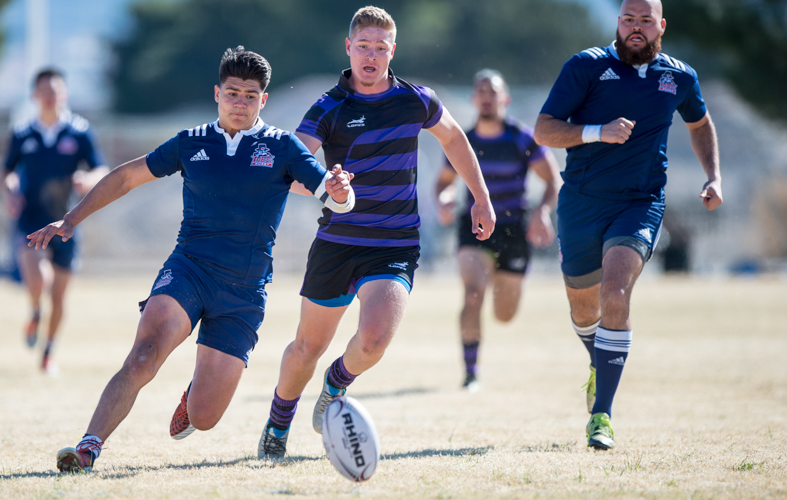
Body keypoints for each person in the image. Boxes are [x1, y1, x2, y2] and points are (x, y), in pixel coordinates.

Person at [36, 47, 355, 473]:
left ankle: (193, 394)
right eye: (232, 93)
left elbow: (338, 201)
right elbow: (128, 176)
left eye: (250, 95)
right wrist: (71, 219)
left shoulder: (284, 148)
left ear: (263, 100)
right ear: (217, 94)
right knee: (145, 354)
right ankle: (88, 447)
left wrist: (340, 191)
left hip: (244, 289)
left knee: (204, 418)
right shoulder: (192, 142)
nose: (239, 102)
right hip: (189, 268)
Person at [256, 6, 497, 460]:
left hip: (395, 244)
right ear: (348, 48)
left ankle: (336, 383)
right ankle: (277, 422)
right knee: (308, 344)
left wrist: (481, 199)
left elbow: (454, 139)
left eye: (380, 48)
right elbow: (292, 168)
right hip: (338, 242)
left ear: (393, 50)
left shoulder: (416, 99)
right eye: (363, 46)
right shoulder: (328, 106)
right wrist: (324, 182)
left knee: (374, 340)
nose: (371, 55)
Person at [534, 0, 722, 450]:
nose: (635, 28)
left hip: (640, 203)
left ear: (661, 25)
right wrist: (598, 131)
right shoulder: (586, 67)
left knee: (614, 293)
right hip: (580, 202)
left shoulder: (680, 76)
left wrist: (714, 175)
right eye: (627, 19)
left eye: (645, 20)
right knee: (583, 310)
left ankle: (602, 415)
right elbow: (543, 129)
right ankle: (600, 361)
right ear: (618, 22)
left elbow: (700, 123)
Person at [435, 69, 561, 392]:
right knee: (473, 290)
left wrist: (542, 212)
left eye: (493, 91)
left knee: (504, 315)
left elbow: (552, 181)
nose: (486, 96)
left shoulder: (521, 138)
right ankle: (471, 373)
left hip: (513, 231)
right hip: (474, 227)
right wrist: (445, 201)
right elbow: (444, 183)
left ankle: (499, 279)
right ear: (473, 98)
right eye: (481, 91)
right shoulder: (464, 141)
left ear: (505, 99)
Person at [0, 68, 109, 374]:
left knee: (59, 296)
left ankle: (48, 352)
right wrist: (10, 191)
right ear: (34, 96)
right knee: (39, 278)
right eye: (44, 91)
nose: (50, 96)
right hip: (31, 219)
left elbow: (102, 170)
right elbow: (6, 171)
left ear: (65, 94)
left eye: (55, 90)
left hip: (67, 223)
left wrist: (87, 179)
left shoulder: (80, 131)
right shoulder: (22, 134)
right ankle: (35, 311)